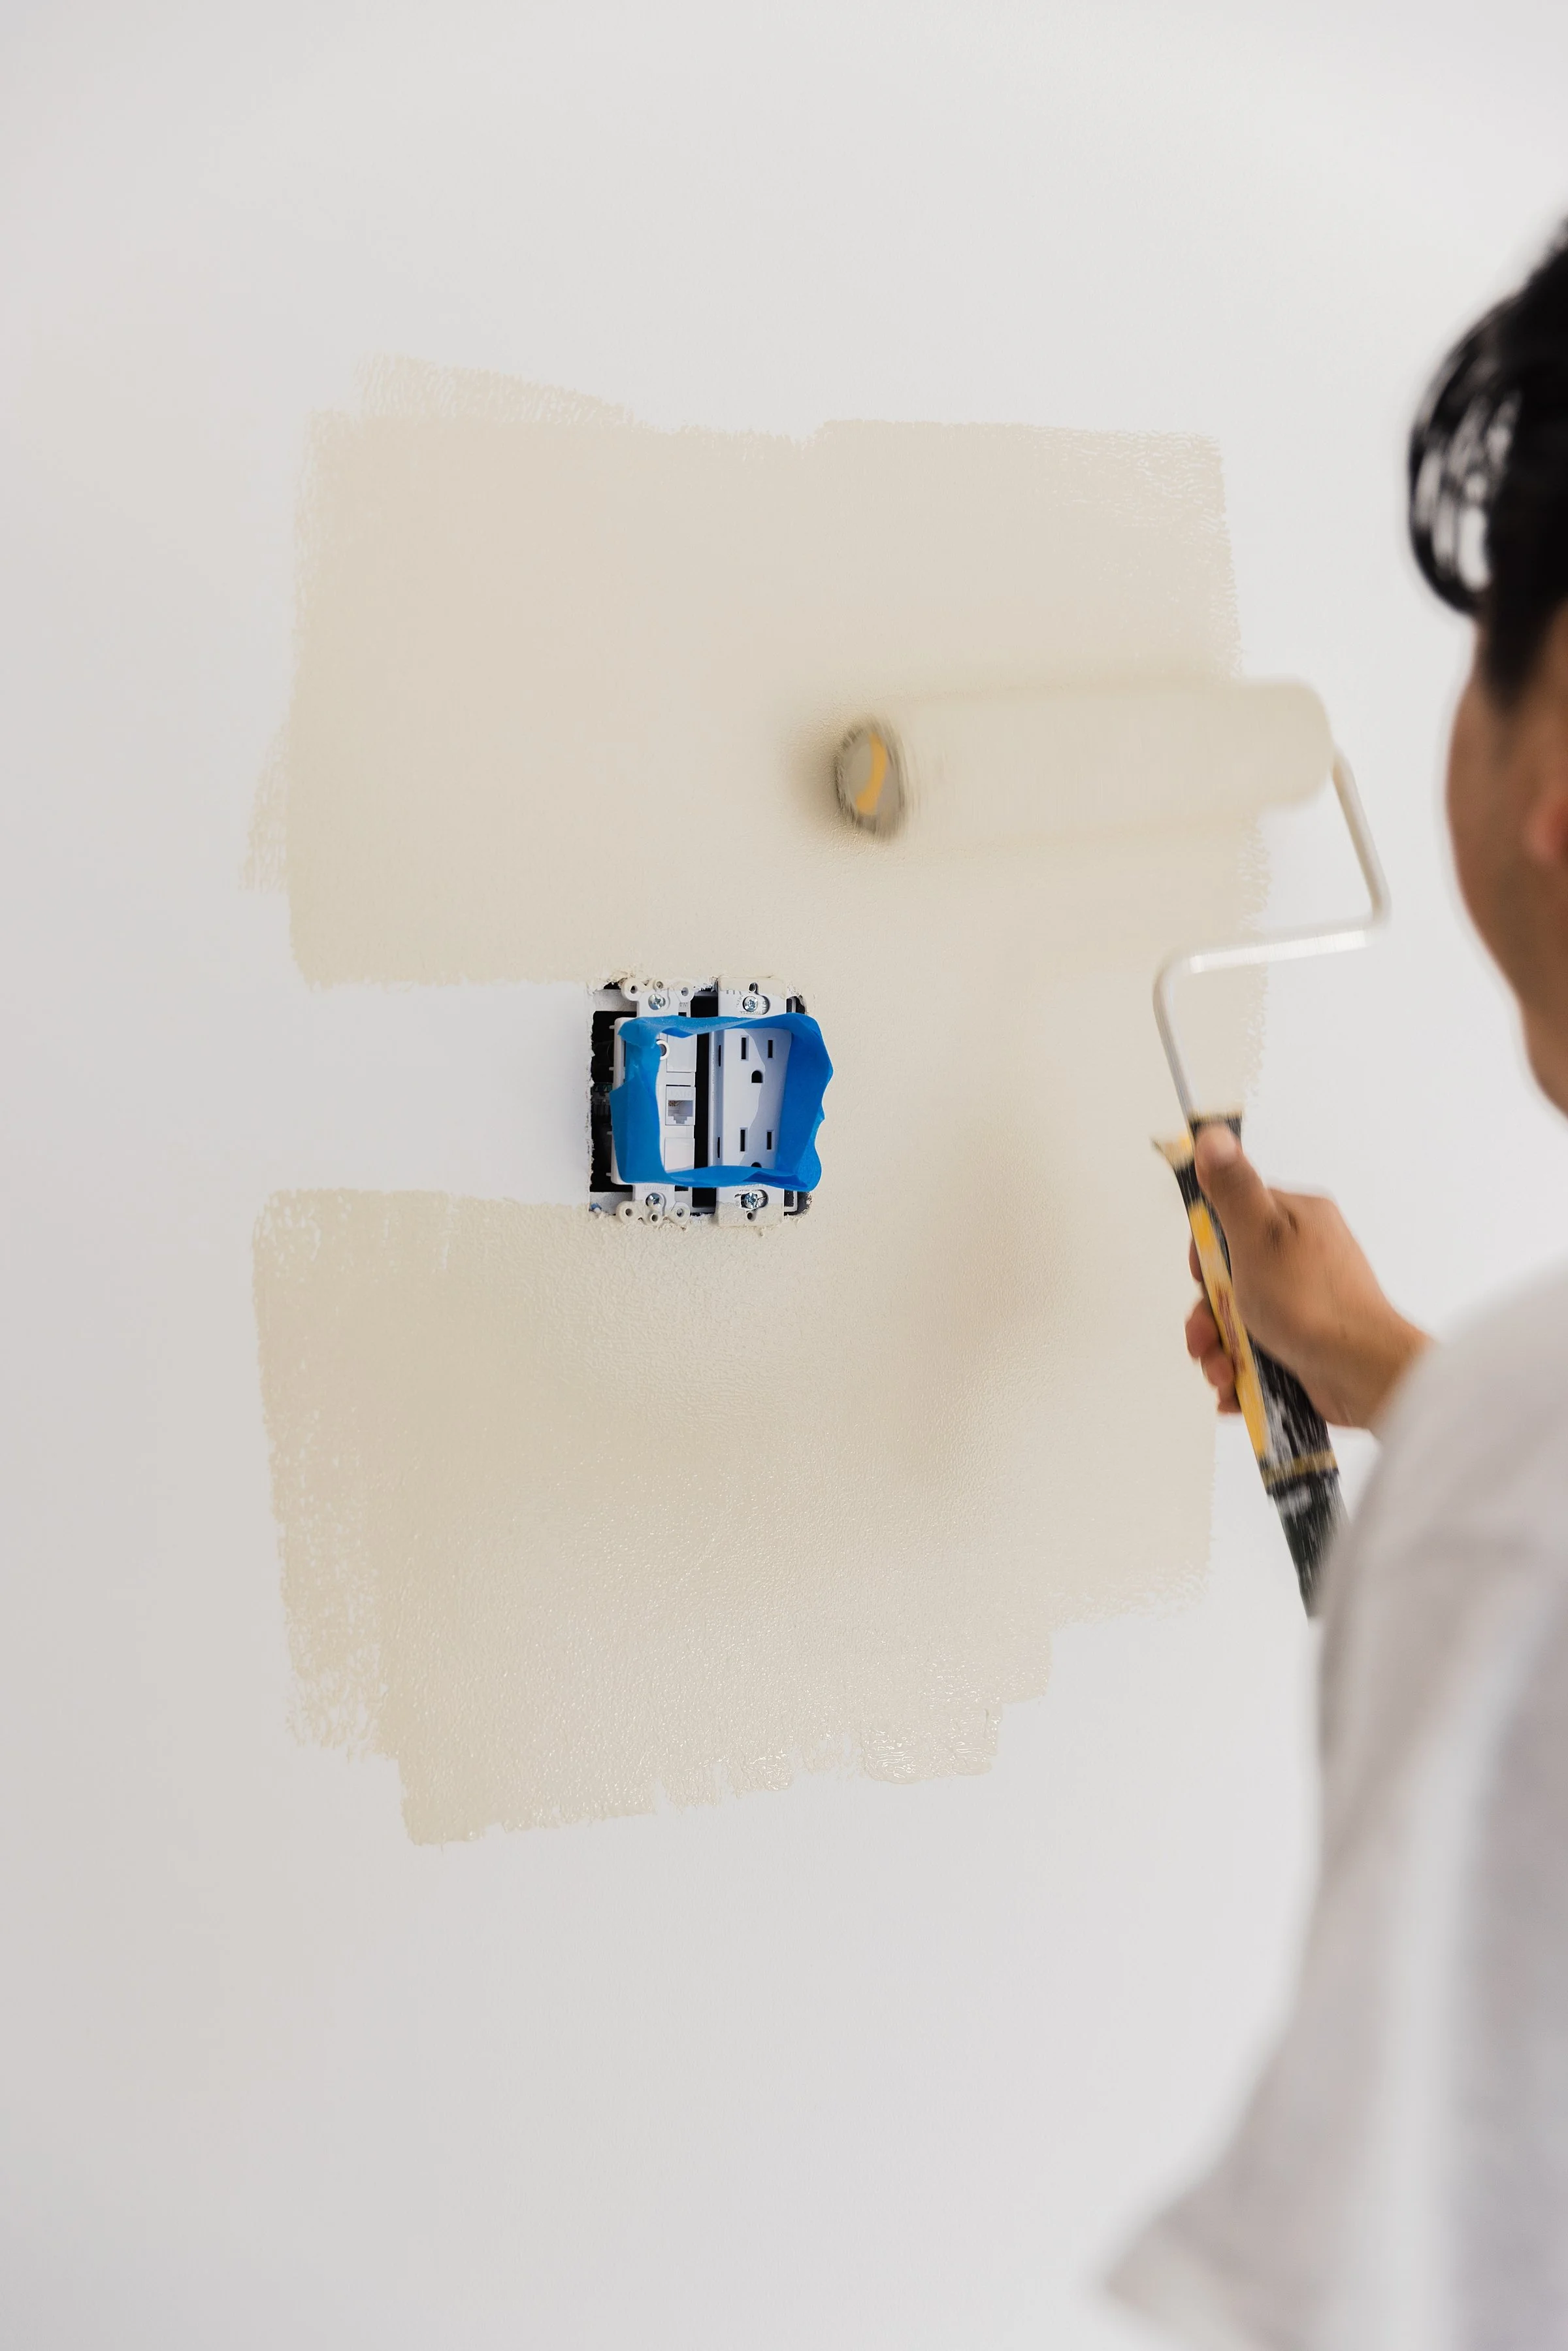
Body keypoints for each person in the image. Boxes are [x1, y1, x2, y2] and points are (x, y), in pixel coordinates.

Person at [1110, 225, 1568, 2351]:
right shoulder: (1507, 1440)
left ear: (1547, 786)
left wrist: (1452, 1420)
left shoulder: (1518, 1477)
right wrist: (1390, 1368)